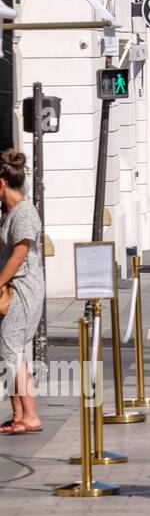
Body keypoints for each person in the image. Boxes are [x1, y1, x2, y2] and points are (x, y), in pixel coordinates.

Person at [0, 151, 43, 435]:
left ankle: (30, 415)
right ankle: (18, 413)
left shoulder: (25, 213)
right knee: (10, 350)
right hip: (14, 287)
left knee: (10, 350)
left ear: (1, 183)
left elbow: (19, 254)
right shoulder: (12, 212)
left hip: (22, 289)